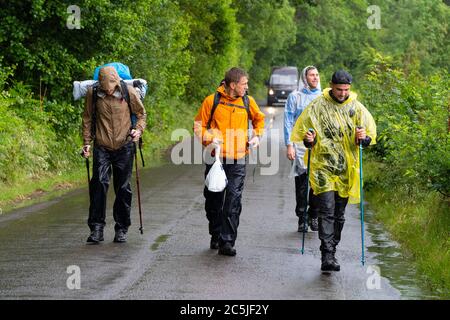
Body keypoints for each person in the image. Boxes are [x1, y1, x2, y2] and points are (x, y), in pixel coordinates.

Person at [291, 70, 376, 271]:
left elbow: (369, 137)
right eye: (339, 89)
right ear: (331, 85)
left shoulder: (356, 108)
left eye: (346, 90)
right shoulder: (318, 105)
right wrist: (308, 140)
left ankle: (333, 247)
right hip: (323, 167)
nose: (342, 93)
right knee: (326, 210)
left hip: (346, 169)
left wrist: (362, 138)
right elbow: (304, 130)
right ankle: (327, 255)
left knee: (339, 214)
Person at [194, 67, 265, 256]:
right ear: (233, 85)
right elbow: (198, 126)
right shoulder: (212, 101)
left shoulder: (247, 101)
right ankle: (216, 233)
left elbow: (259, 120)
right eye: (244, 84)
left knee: (233, 200)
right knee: (213, 200)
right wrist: (209, 139)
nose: (246, 87)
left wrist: (257, 136)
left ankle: (227, 241)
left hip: (239, 158)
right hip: (215, 157)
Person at [81, 66, 147, 244]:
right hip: (101, 146)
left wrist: (138, 131)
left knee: (123, 188)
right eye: (105, 86)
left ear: (116, 82)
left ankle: (122, 228)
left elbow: (141, 115)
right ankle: (96, 229)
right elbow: (87, 118)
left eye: (111, 86)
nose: (108, 90)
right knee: (99, 184)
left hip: (124, 145)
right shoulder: (93, 93)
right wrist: (86, 143)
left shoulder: (129, 92)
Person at [284, 66, 321, 233]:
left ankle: (314, 213)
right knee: (302, 183)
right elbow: (288, 121)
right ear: (305, 78)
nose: (315, 78)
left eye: (317, 75)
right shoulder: (295, 97)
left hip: (319, 145)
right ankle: (302, 218)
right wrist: (289, 145)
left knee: (317, 183)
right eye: (312, 75)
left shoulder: (322, 97)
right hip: (299, 145)